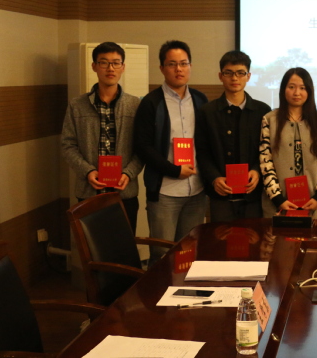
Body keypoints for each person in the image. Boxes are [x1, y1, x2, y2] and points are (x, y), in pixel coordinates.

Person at [134, 40, 208, 263]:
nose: (179, 69)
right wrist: (174, 170)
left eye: (183, 63)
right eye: (172, 64)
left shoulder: (200, 100)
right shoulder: (151, 102)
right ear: (162, 68)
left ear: (190, 66)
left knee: (190, 252)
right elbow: (143, 146)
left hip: (196, 190)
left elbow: (206, 143)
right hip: (165, 192)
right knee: (162, 254)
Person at [61, 42, 143, 232]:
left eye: (116, 63)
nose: (110, 68)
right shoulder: (77, 105)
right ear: (94, 66)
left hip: (124, 193)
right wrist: (87, 171)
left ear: (123, 67)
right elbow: (68, 145)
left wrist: (128, 173)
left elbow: (143, 147)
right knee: (90, 247)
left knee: (123, 245)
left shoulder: (135, 105)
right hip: (89, 192)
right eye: (104, 62)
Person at [197, 51, 271, 221]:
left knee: (254, 237)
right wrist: (214, 178)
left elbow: (267, 150)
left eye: (240, 73)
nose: (234, 78)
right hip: (220, 196)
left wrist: (257, 171)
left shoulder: (263, 111)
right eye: (228, 73)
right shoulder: (207, 112)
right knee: (221, 237)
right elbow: (202, 151)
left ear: (248, 76)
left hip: (253, 195)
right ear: (220, 76)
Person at [260, 67, 317, 219]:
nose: (297, 93)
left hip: (316, 204)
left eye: (302, 88)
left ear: (309, 91)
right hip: (279, 204)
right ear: (283, 90)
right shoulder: (269, 120)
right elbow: (266, 162)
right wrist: (278, 199)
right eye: (291, 87)